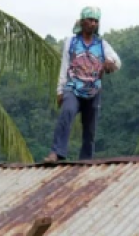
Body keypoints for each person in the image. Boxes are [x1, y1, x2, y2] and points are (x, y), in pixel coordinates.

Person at [43, 7, 121, 163]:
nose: (93, 24)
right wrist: (60, 90)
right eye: (90, 20)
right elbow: (64, 66)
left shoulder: (102, 44)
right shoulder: (71, 42)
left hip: (93, 90)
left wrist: (110, 64)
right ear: (82, 22)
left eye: (96, 21)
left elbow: (117, 62)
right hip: (73, 87)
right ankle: (56, 152)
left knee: (90, 128)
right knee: (67, 112)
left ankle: (85, 160)